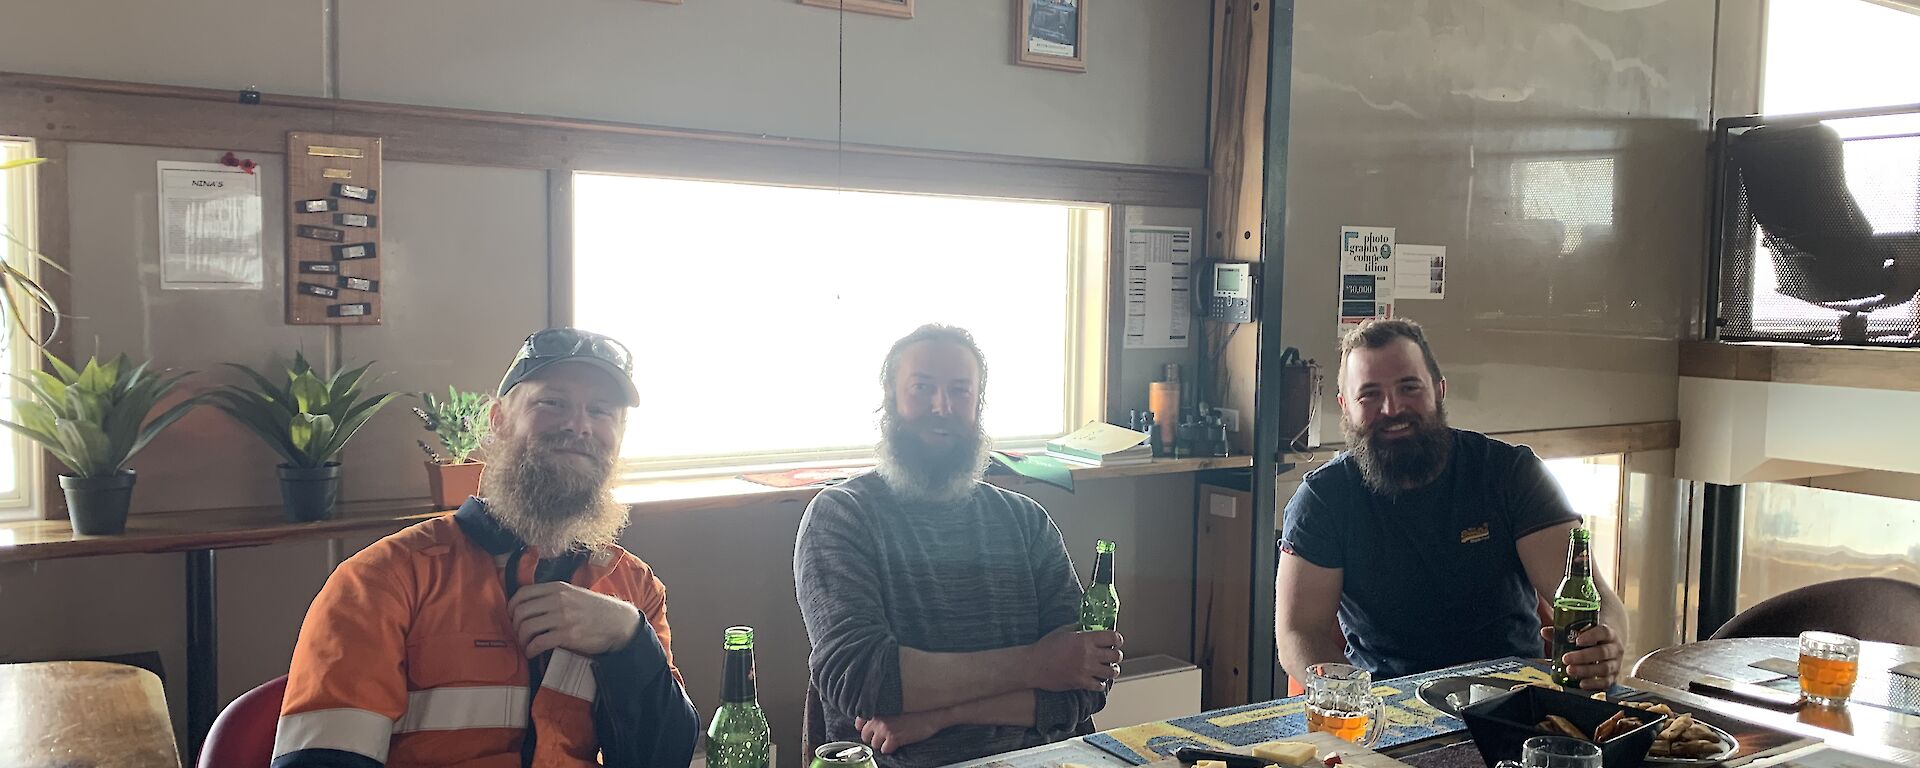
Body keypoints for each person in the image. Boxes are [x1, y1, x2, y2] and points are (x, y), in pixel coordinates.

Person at [272, 328, 699, 768]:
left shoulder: (633, 588)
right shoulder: (383, 579)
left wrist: (629, 641)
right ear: (498, 421)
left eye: (601, 410)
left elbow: (665, 756)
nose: (579, 425)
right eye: (552, 403)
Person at [794, 324, 1122, 768]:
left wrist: (941, 714)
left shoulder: (1026, 522)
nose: (941, 407)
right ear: (890, 401)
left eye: (959, 391)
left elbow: (1083, 685)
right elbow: (865, 680)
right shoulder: (841, 516)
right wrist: (1037, 665)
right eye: (922, 388)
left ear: (978, 406)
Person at [1275, 319, 1628, 688]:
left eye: (1409, 387)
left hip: (1513, 699)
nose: (1392, 408)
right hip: (1388, 704)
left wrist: (1607, 640)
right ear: (1345, 407)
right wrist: (1352, 699)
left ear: (1439, 390)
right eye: (1370, 395)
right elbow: (1299, 634)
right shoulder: (1323, 499)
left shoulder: (1512, 474)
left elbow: (1596, 596)